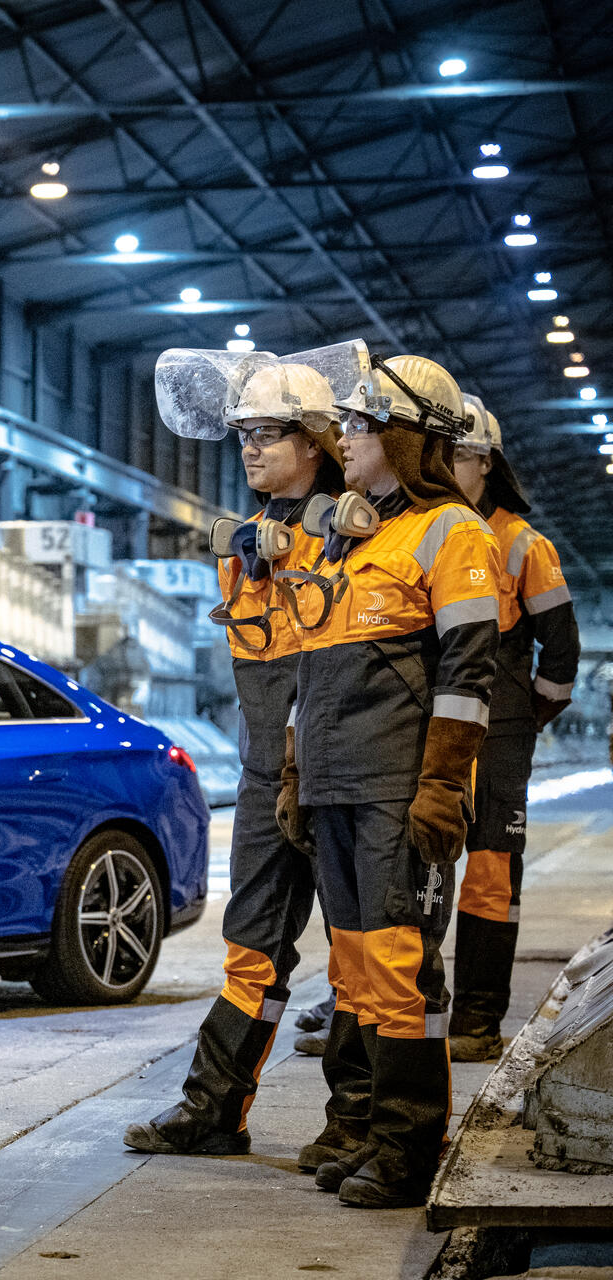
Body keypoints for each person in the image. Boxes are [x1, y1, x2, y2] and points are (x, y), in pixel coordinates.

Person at [281, 350, 498, 1208]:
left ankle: (408, 1144)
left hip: (395, 788)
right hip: (335, 784)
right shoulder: (347, 536)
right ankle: (360, 1123)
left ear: (409, 438)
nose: (345, 437)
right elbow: (310, 670)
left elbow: (469, 676)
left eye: (362, 424)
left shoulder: (453, 533)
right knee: (352, 965)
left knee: (400, 965)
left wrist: (441, 786)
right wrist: (296, 771)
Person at [125, 355, 344, 1158]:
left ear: (315, 442)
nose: (249, 448)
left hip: (340, 775)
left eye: (268, 433)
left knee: (364, 955)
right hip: (265, 777)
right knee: (250, 945)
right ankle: (214, 1111)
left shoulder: (355, 536)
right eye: (243, 434)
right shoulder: (243, 548)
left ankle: (357, 1126)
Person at [447, 397, 579, 1062]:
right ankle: (383, 1014)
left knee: (490, 874)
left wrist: (523, 717)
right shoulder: (417, 531)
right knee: (406, 874)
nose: (444, 466)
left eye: (457, 455)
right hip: (433, 725)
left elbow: (562, 654)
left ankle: (476, 1020)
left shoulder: (523, 544)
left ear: (486, 465)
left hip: (495, 731)